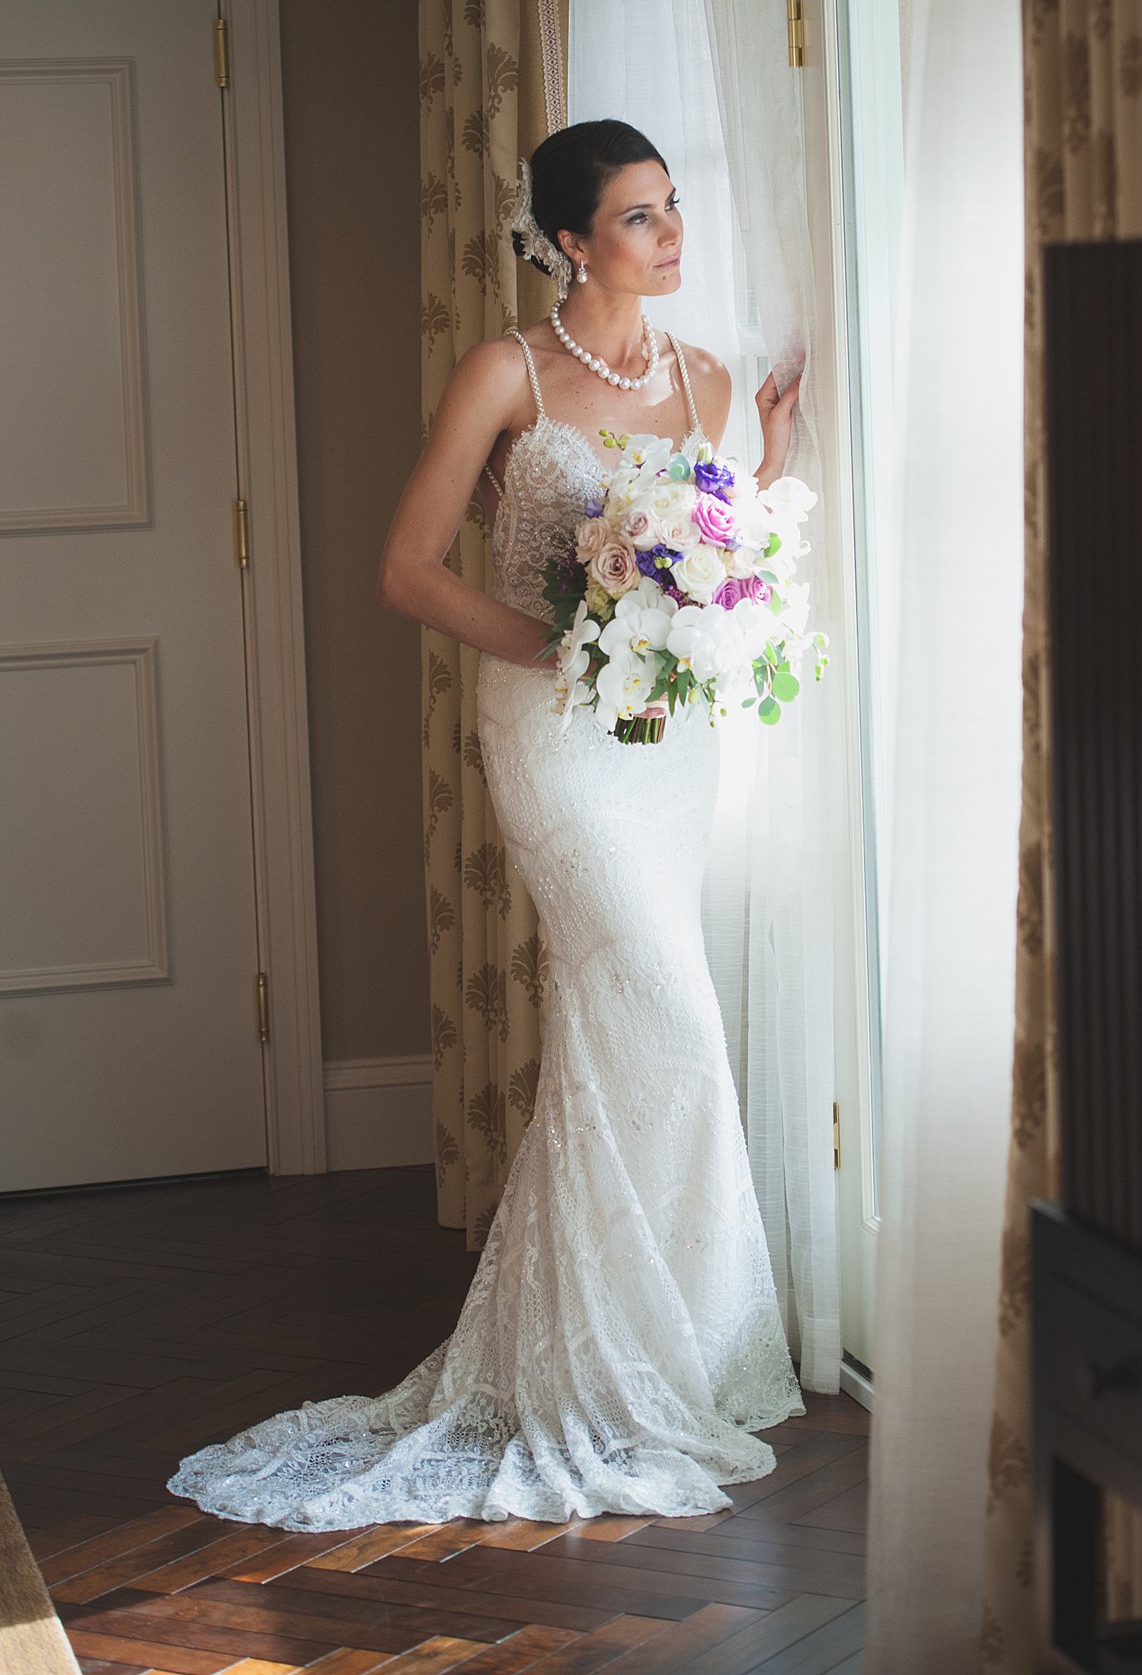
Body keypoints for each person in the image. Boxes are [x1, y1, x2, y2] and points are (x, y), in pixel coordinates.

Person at [165, 118, 806, 1529]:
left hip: (670, 750)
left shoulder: (708, 381)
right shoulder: (504, 372)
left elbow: (733, 549)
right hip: (558, 738)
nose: (671, 235)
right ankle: (607, 1368)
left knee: (632, 1032)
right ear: (571, 241)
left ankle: (659, 1347)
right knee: (667, 1015)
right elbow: (404, 568)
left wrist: (772, 466)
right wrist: (551, 646)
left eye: (675, 207)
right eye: (640, 218)